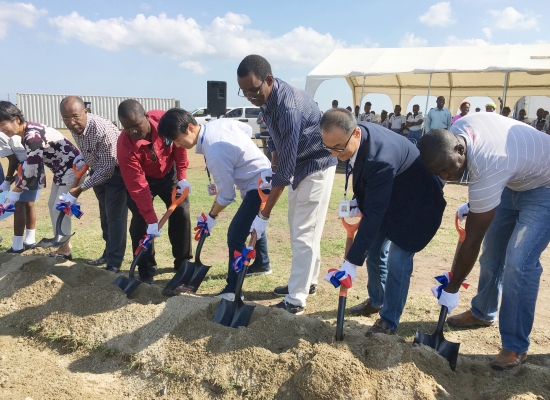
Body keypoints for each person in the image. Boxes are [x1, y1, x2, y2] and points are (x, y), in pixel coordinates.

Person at [418, 112, 550, 370]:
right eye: (439, 173)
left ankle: (515, 344)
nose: (446, 176)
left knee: (519, 260)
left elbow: (471, 239)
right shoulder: (456, 135)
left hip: (545, 185)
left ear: (460, 148)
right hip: (513, 178)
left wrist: (452, 288)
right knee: (492, 253)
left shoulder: (487, 162)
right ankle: (483, 311)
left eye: (448, 168)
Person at [321, 109, 446, 336]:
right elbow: (369, 185)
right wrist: (359, 203)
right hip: (391, 196)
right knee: (375, 250)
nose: (333, 154)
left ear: (356, 133)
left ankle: (389, 320)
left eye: (338, 147)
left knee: (399, 260)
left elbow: (375, 214)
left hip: (417, 206)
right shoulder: (355, 140)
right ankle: (377, 300)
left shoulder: (379, 157)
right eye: (328, 148)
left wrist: (351, 262)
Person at [237, 54, 337, 315]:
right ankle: (308, 282)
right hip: (299, 165)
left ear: (268, 80)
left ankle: (296, 298)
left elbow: (286, 170)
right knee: (301, 228)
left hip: (315, 165)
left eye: (253, 90)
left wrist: (264, 215)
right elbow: (278, 142)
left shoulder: (288, 106)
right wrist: (273, 154)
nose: (249, 96)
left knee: (304, 231)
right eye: (244, 91)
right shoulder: (267, 97)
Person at [158, 108, 272, 299]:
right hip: (261, 176)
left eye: (178, 140)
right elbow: (246, 131)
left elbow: (227, 195)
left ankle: (233, 290)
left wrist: (211, 217)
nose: (178, 145)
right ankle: (262, 263)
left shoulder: (214, 152)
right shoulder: (218, 124)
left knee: (235, 234)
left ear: (190, 127)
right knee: (252, 223)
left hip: (258, 185)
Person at [116, 100, 192, 284]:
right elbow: (137, 185)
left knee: (181, 212)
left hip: (169, 173)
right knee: (141, 222)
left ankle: (183, 262)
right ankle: (146, 268)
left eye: (136, 125)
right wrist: (151, 219)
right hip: (143, 181)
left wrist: (181, 176)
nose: (133, 131)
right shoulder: (124, 145)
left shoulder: (163, 120)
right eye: (127, 128)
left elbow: (179, 145)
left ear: (146, 117)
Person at [0, 101, 79, 257]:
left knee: (60, 207)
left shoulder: (32, 135)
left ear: (16, 119)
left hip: (72, 170)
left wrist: (17, 190)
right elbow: (30, 164)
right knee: (52, 205)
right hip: (61, 171)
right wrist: (12, 183)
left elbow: (33, 167)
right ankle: (63, 243)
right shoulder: (25, 133)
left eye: (3, 125)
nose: (2, 130)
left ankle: (65, 249)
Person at [60, 96, 128, 272]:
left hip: (117, 173)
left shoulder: (100, 129)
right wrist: (85, 158)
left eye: (75, 116)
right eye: (66, 118)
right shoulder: (77, 128)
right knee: (105, 217)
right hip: (98, 171)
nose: (71, 122)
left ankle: (114, 263)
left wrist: (80, 189)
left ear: (85, 112)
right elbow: (92, 153)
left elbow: (108, 168)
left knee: (115, 219)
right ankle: (108, 253)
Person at [0, 131, 38, 251]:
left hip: (26, 167)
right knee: (28, 203)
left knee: (19, 205)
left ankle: (17, 246)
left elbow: (13, 160)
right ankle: (29, 240)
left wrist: (8, 180)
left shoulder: (1, 135)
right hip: (33, 165)